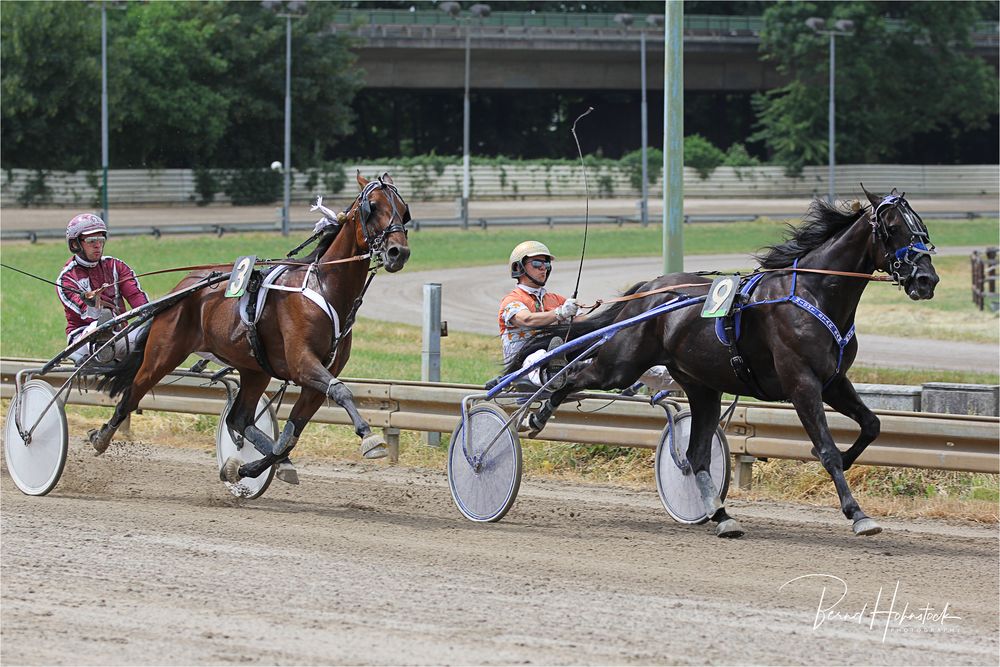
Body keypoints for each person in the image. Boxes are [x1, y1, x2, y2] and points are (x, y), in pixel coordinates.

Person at [498, 239, 676, 395]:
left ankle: (675, 379)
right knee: (540, 355)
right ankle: (556, 376)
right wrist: (559, 313)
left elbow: (585, 325)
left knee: (612, 353)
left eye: (547, 264)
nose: (544, 268)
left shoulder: (556, 299)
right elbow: (526, 320)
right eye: (537, 264)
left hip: (561, 355)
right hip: (523, 362)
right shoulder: (512, 300)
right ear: (518, 268)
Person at [57, 213, 149, 365]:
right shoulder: (67, 278)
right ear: (75, 244)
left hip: (122, 335)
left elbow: (136, 297)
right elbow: (86, 314)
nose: (98, 245)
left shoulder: (116, 266)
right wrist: (94, 303)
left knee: (162, 327)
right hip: (82, 340)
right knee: (98, 324)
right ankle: (104, 344)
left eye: (101, 240)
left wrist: (152, 316)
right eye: (91, 240)